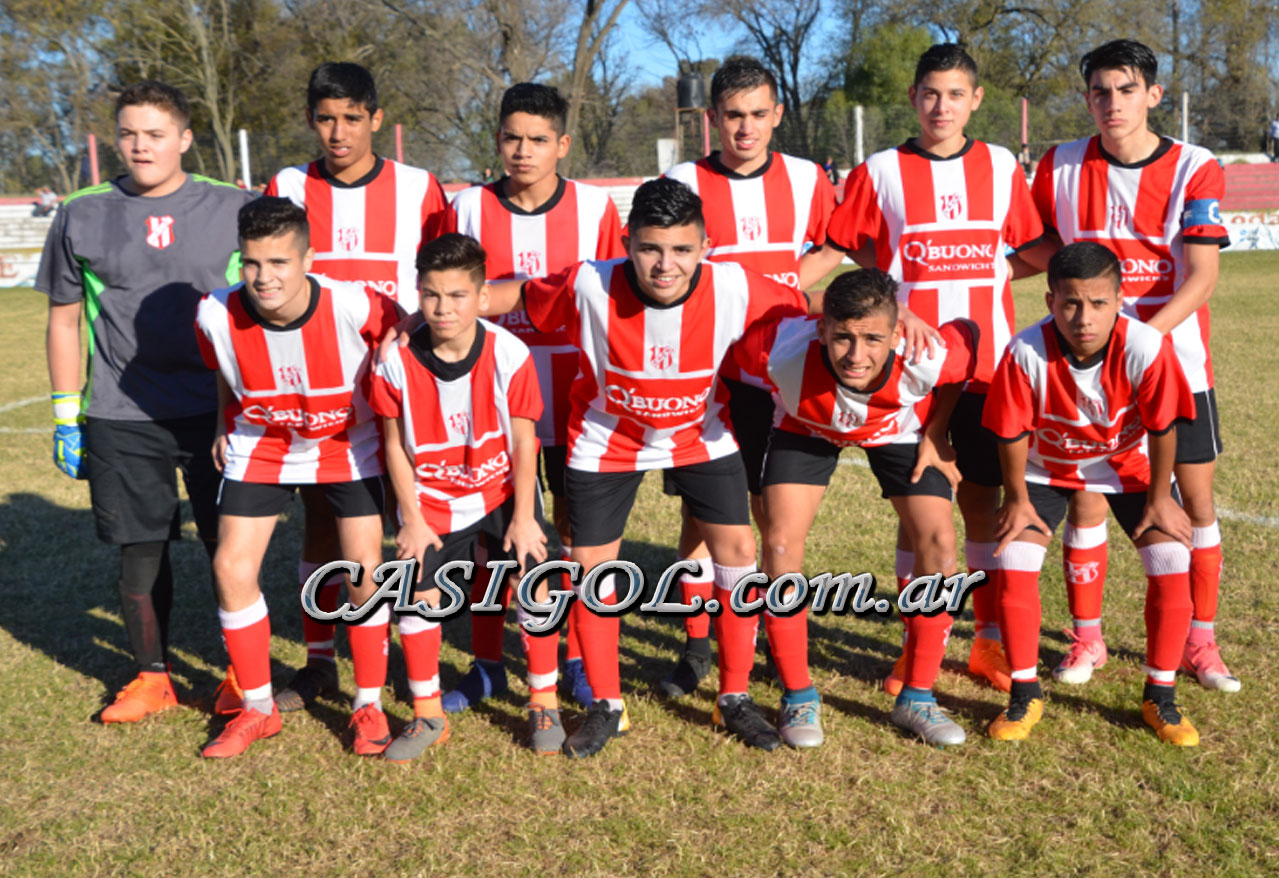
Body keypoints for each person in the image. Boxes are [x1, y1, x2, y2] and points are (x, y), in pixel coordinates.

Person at [481, 177, 811, 756]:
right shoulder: (589, 282)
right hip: (607, 440)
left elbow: (805, 304)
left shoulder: (734, 285)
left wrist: (895, 312)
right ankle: (607, 704)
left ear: (706, 246)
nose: (665, 264)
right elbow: (511, 296)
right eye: (650, 248)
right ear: (627, 244)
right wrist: (434, 311)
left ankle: (733, 696)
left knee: (738, 553)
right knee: (591, 568)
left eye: (682, 249)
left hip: (700, 436)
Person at [804, 43, 1045, 696]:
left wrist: (995, 270)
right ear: (913, 97)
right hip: (908, 377)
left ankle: (987, 640)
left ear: (976, 100)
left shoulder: (1000, 165)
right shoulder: (880, 170)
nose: (942, 106)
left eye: (955, 94)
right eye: (930, 93)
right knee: (918, 515)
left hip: (988, 372)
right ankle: (917, 649)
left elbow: (1033, 248)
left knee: (983, 508)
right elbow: (844, 250)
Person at [37, 80, 253, 723]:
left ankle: (243, 675)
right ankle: (152, 676)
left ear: (184, 139)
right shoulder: (81, 212)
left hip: (217, 410)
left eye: (155, 134)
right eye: (128, 133)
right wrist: (65, 415)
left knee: (228, 545)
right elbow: (63, 319)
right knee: (140, 549)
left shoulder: (234, 206)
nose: (140, 146)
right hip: (121, 413)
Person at [1025, 39, 1236, 691]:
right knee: (1087, 498)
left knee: (1193, 503)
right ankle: (1086, 639)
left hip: (1175, 368)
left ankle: (1200, 641)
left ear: (1153, 94)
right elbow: (1039, 248)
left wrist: (1134, 342)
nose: (1111, 103)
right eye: (1099, 92)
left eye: (1125, 89)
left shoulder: (1194, 166)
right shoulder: (1058, 165)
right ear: (1086, 97)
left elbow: (1200, 276)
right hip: (1082, 372)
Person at [261, 62, 452, 714]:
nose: (338, 132)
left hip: (401, 388)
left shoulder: (419, 188)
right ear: (310, 121)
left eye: (350, 118)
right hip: (318, 394)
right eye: (325, 119)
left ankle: (408, 655)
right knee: (321, 522)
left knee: (409, 520)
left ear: (376, 118)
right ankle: (319, 660)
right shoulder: (289, 185)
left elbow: (441, 274)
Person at [657, 58, 836, 744]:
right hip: (708, 376)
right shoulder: (684, 180)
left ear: (777, 115)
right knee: (700, 514)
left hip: (780, 372)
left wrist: (786, 280)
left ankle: (758, 629)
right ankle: (696, 644)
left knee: (769, 513)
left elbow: (835, 243)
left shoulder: (807, 178)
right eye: (733, 115)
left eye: (758, 114)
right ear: (712, 118)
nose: (745, 128)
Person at [734, 268, 979, 746]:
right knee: (779, 544)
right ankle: (797, 694)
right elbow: (728, 339)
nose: (856, 355)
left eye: (872, 339)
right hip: (805, 428)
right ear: (821, 330)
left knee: (940, 542)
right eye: (843, 337)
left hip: (897, 431)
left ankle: (918, 697)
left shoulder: (926, 353)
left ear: (897, 334)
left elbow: (967, 337)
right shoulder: (780, 348)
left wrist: (936, 431)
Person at [441, 82, 624, 714]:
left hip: (577, 400)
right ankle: (488, 664)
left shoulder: (594, 209)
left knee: (573, 533)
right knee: (492, 539)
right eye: (512, 138)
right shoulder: (467, 207)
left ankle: (573, 657)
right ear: (497, 140)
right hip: (490, 401)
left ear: (562, 144)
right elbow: (449, 290)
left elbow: (614, 297)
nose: (523, 151)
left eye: (538, 140)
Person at [194, 197, 400, 757]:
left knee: (363, 568)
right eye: (252, 263)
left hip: (347, 444)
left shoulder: (356, 305)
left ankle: (368, 704)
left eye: (279, 262)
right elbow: (222, 368)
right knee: (230, 567)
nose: (264, 277)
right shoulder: (214, 313)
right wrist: (222, 423)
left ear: (308, 259)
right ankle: (258, 709)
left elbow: (403, 343)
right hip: (262, 442)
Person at [983, 241, 1201, 746]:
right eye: (1071, 303)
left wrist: (1160, 498)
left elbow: (1163, 425)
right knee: (1014, 557)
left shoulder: (1146, 345)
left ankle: (1161, 696)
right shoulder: (1025, 350)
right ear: (1050, 301)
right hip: (1044, 470)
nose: (1085, 317)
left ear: (1120, 300)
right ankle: (1024, 694)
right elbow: (1010, 432)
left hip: (1126, 468)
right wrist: (1016, 499)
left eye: (1099, 303)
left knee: (1171, 557)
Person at [369, 233, 549, 757]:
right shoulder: (394, 361)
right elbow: (394, 446)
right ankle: (427, 716)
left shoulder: (509, 353)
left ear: (483, 296)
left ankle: (543, 702)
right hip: (431, 499)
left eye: (457, 295)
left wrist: (523, 517)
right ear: (418, 294)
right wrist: (411, 519)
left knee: (532, 577)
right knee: (415, 591)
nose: (443, 308)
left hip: (499, 490)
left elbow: (524, 442)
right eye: (431, 295)